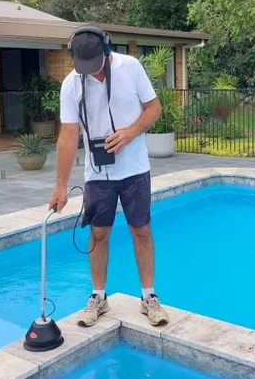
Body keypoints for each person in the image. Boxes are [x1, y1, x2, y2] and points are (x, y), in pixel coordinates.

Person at [48, 26, 170, 328]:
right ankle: (98, 297)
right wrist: (60, 186)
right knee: (98, 234)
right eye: (84, 68)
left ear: (106, 50)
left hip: (135, 170)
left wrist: (129, 133)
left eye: (96, 66)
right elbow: (67, 135)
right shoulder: (71, 84)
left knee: (140, 231)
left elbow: (154, 108)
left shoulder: (131, 67)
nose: (92, 73)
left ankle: (149, 297)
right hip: (97, 175)